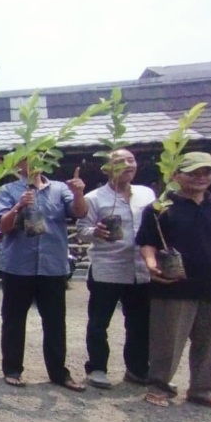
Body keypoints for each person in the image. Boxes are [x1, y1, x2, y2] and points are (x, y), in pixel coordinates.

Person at [0, 158, 89, 391]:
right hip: (18, 266)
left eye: (39, 155)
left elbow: (79, 212)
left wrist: (78, 193)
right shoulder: (8, 190)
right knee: (14, 320)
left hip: (52, 266)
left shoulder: (59, 189)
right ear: (19, 164)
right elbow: (3, 227)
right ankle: (12, 369)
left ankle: (58, 373)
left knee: (55, 322)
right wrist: (18, 206)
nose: (35, 161)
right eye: (28, 157)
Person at [137, 152, 211, 409]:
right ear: (176, 175)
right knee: (168, 340)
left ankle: (202, 389)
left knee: (210, 341)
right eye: (193, 173)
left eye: (207, 172)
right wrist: (150, 263)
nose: (201, 177)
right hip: (174, 284)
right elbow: (147, 241)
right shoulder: (160, 208)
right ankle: (159, 386)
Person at [77, 149, 155, 388]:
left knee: (140, 323)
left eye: (131, 160)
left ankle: (137, 369)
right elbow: (81, 231)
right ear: (107, 169)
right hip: (107, 269)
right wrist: (96, 232)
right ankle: (97, 368)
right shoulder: (94, 198)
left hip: (140, 270)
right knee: (99, 322)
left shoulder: (147, 194)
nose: (128, 165)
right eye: (120, 161)